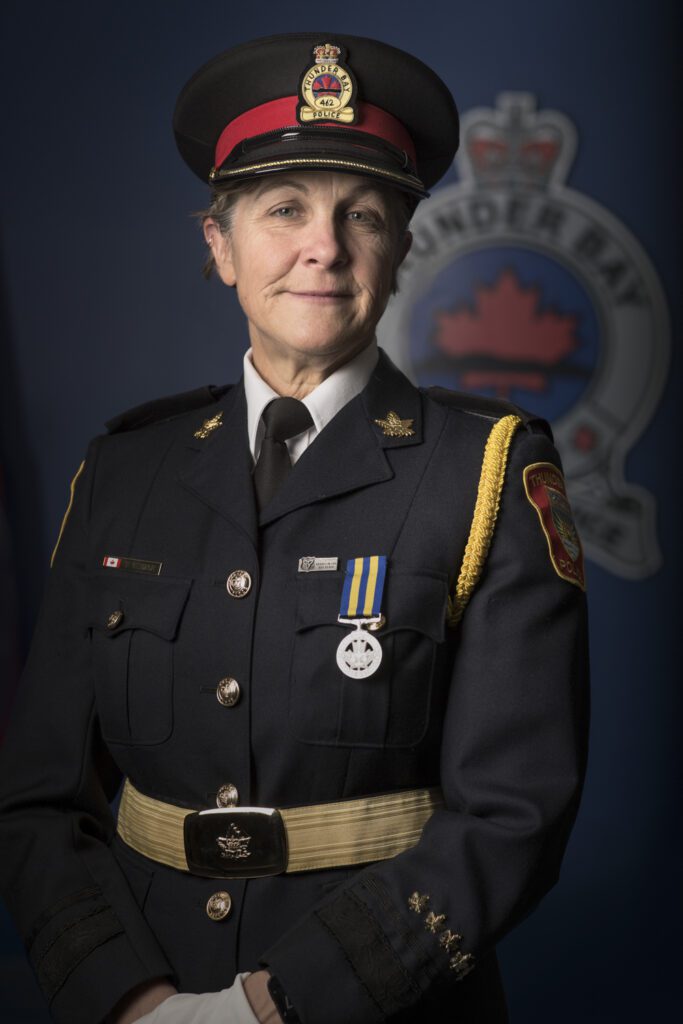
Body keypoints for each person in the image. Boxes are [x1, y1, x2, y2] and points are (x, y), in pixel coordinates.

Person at [0, 31, 589, 1024]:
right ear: (218, 245)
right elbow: (36, 798)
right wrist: (130, 998)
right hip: (145, 983)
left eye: (361, 214)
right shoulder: (123, 471)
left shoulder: (486, 471)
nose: (323, 246)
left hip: (383, 999)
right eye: (283, 210)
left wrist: (272, 1005)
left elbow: (514, 811)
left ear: (400, 250)